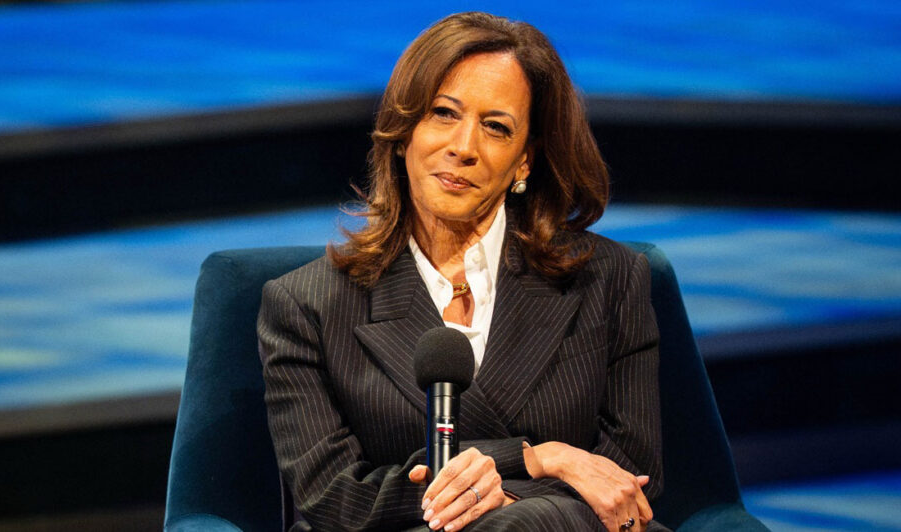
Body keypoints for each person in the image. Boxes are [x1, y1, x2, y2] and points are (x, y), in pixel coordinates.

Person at [258, 11, 666, 532]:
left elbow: (629, 479)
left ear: (524, 161)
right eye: (443, 114)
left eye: (496, 127)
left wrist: (510, 505)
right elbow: (334, 499)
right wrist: (538, 457)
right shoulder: (306, 306)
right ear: (403, 131)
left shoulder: (609, 280)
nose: (464, 147)